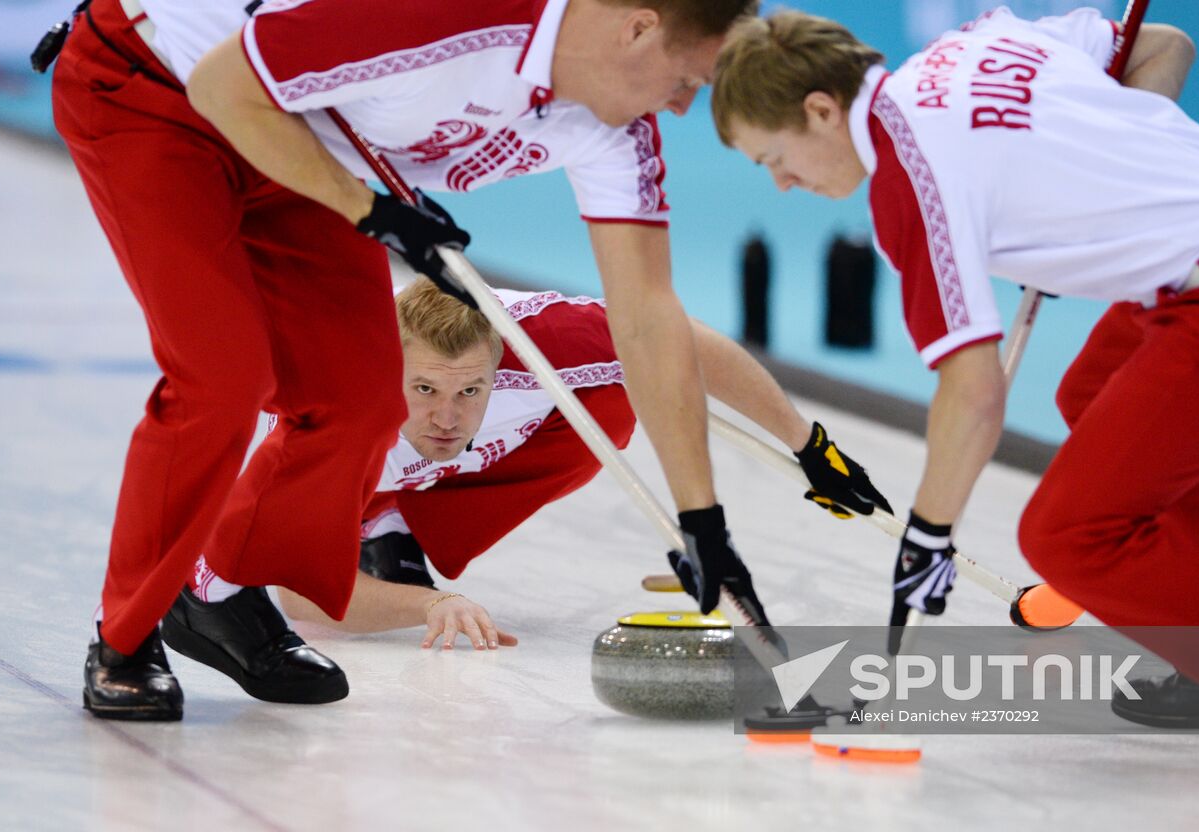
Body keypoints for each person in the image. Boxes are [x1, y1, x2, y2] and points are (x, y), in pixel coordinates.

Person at [42, 0, 763, 721]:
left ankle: (219, 593)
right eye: (686, 79)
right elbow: (223, 87)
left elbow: (647, 319)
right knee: (221, 377)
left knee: (361, 398)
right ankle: (124, 640)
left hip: (297, 128)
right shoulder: (448, 14)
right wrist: (373, 212)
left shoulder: (616, 125)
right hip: (156, 90)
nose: (682, 106)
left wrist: (704, 523)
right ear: (637, 29)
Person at [707, 8, 1199, 763]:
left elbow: (972, 396)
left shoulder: (908, 182)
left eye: (774, 157)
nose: (784, 183)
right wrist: (1096, 181)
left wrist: (927, 537)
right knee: (1091, 394)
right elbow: (1164, 46)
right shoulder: (969, 46)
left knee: (1067, 538)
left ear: (821, 111)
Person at [260, 277, 889, 649]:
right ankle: (378, 520)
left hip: (410, 457)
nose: (447, 417)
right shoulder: (323, 413)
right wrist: (425, 605)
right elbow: (298, 590)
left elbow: (682, 343)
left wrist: (809, 444)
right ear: (387, 371)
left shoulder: (546, 344)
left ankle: (414, 522)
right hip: (352, 476)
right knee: (333, 535)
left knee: (610, 406)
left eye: (469, 391)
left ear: (497, 364)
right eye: (424, 390)